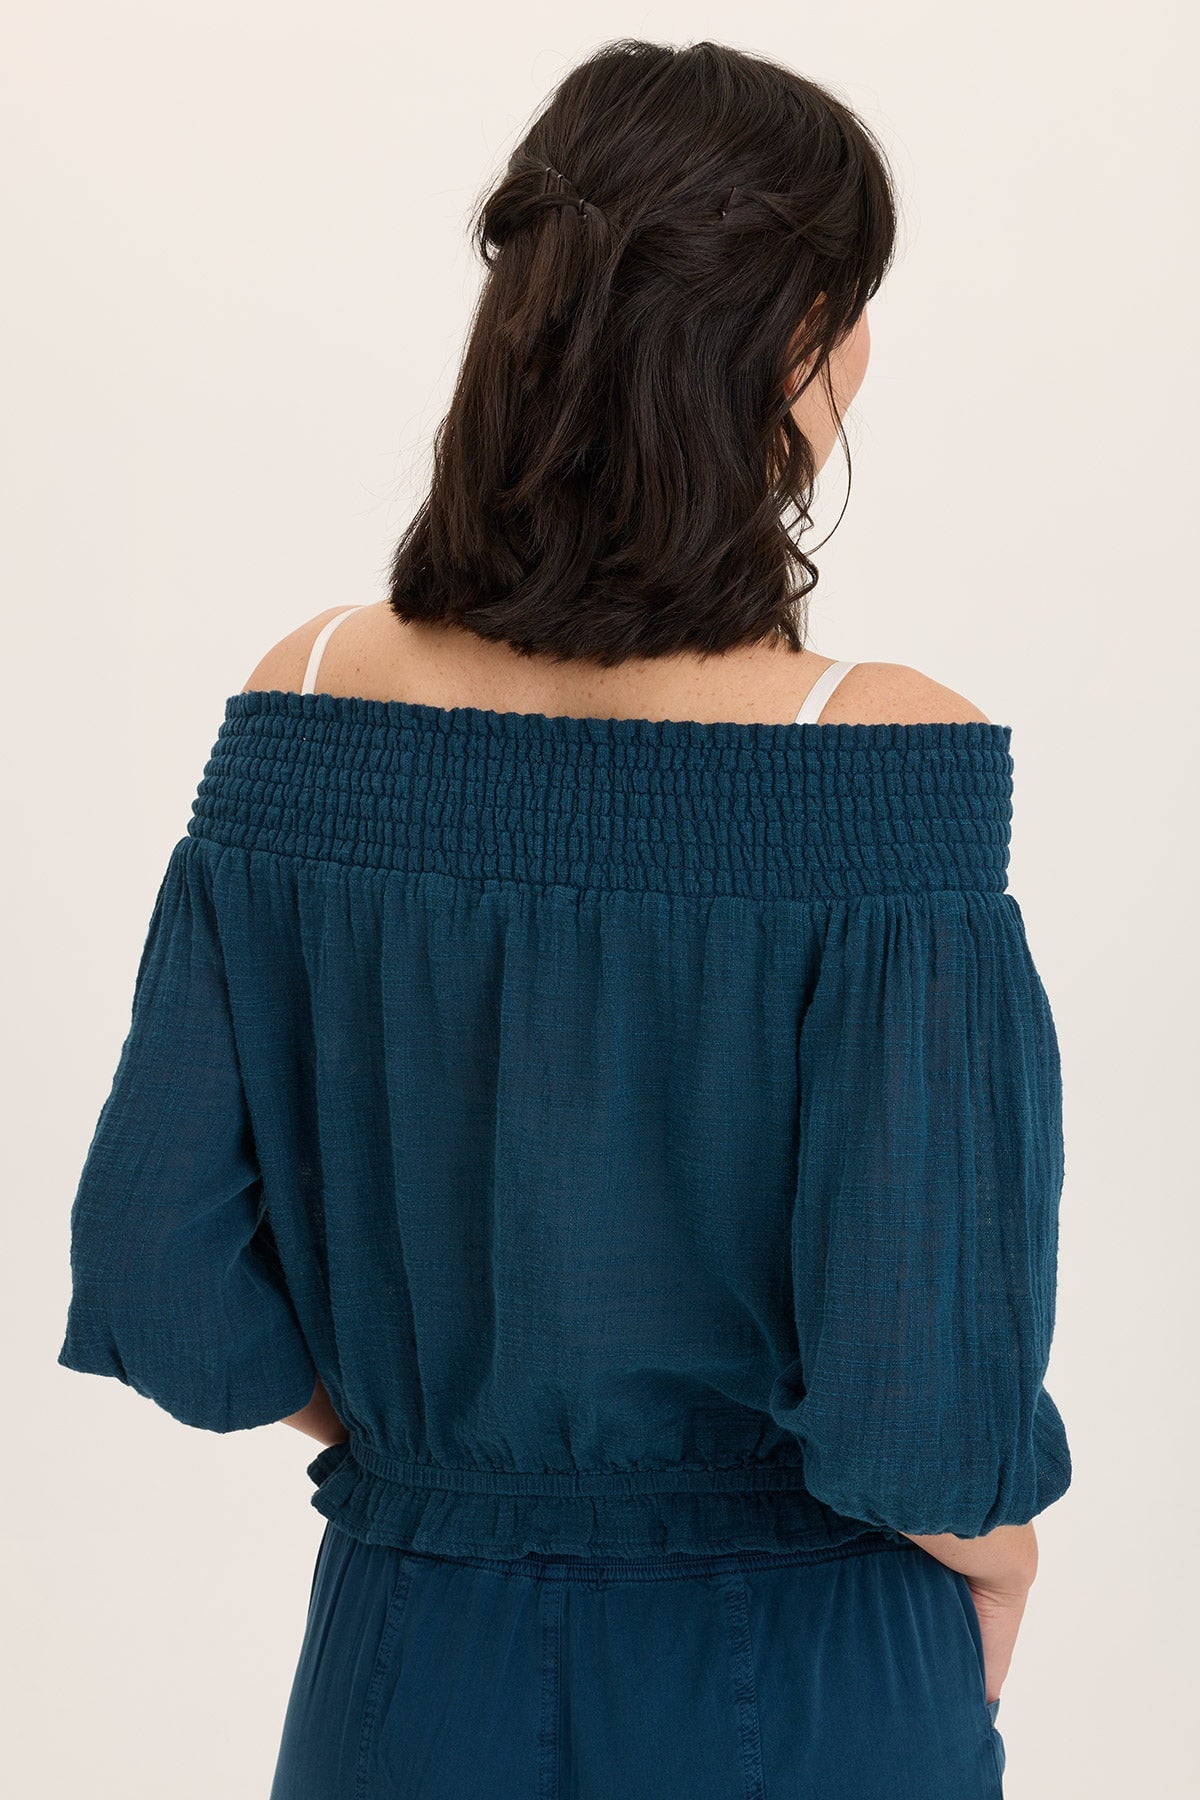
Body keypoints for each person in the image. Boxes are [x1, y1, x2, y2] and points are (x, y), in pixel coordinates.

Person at [57, 37, 1070, 1799]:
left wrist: (443, 1458)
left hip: (407, 1654)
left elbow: (162, 1262)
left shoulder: (304, 702)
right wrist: (1010, 1564)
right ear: (795, 340)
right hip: (807, 1662)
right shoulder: (880, 762)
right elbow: (918, 1399)